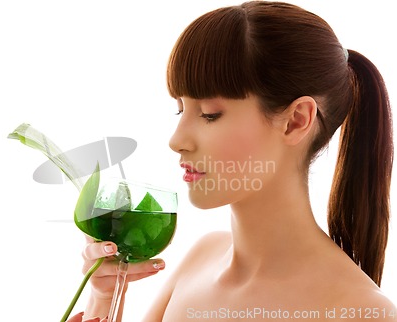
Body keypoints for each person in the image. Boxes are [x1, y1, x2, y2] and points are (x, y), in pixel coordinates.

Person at [70, 1, 395, 321]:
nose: (176, 141)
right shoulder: (200, 259)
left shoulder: (361, 312)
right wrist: (104, 297)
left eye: (210, 115)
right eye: (180, 110)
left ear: (296, 120)